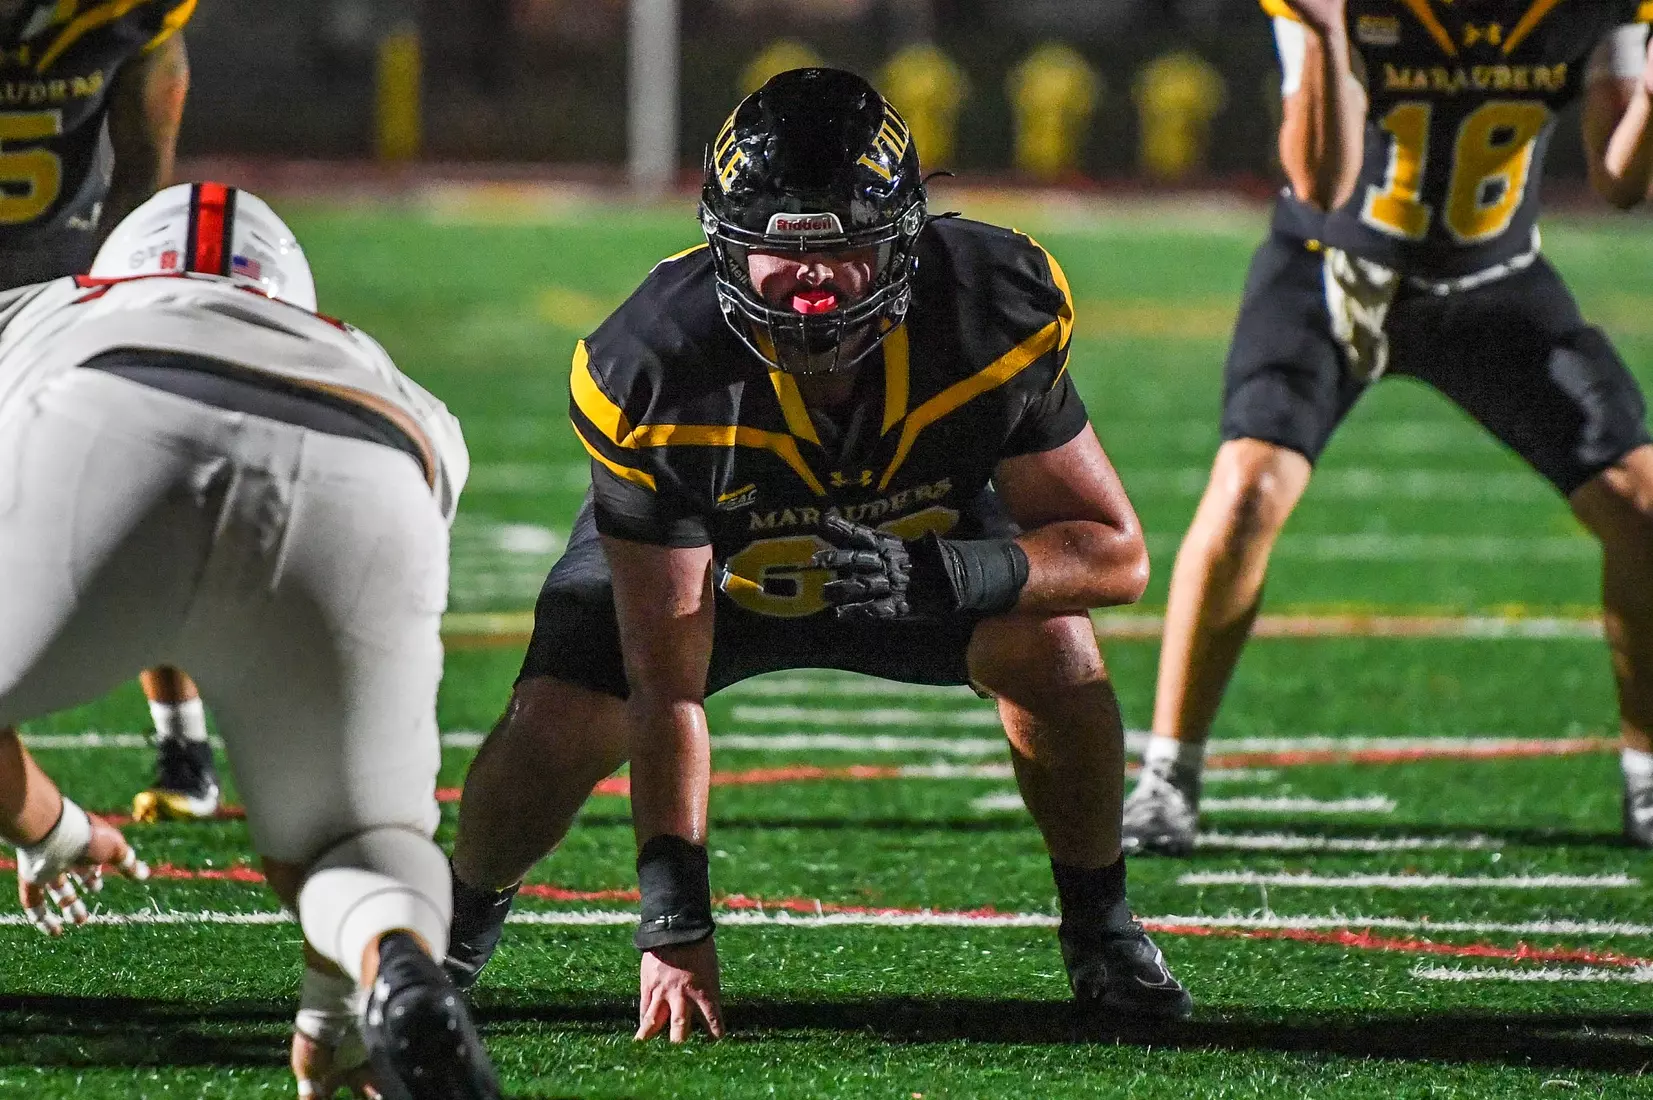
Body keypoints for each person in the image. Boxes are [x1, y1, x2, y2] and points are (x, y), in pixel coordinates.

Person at [443, 67, 1193, 1041]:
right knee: (556, 720)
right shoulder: (653, 366)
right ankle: (457, 921)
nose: (812, 285)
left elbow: (1114, 552)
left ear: (905, 242)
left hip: (915, 561)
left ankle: (1102, 926)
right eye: (783, 254)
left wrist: (951, 575)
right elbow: (664, 684)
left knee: (1054, 650)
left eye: (844, 249)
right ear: (725, 245)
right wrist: (674, 920)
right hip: (712, 569)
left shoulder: (987, 308)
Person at [0, 183, 500, 1099]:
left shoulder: (50, 303)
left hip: (109, 399)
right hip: (368, 451)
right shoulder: (393, 375)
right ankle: (386, 970)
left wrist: (53, 829)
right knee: (353, 838)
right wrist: (326, 1018)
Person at [1123, 0, 1653, 855]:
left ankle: (1646, 776)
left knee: (1641, 505)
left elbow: (1620, 183)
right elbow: (1317, 178)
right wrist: (1330, 32)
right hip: (1329, 272)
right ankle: (1167, 774)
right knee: (1248, 491)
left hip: (1492, 282)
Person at [0, 0, 218, 822]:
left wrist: (115, 293)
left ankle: (184, 742)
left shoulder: (129, 18)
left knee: (122, 512)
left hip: (59, 290)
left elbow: (143, 176)